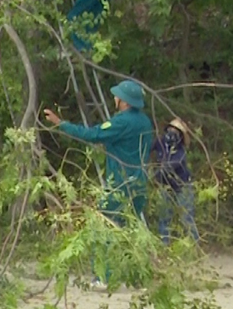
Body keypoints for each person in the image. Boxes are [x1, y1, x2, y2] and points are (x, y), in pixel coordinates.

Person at [43, 80, 154, 224]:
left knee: (108, 225)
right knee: (131, 227)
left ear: (125, 102)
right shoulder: (145, 121)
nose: (115, 98)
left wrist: (61, 123)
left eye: (117, 96)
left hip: (121, 184)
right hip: (140, 184)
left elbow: (92, 135)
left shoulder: (121, 122)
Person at [154, 118, 200, 245]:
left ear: (180, 136)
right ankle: (164, 246)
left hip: (182, 186)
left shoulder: (180, 152)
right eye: (170, 130)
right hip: (165, 185)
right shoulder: (160, 143)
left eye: (176, 131)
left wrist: (155, 174)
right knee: (164, 217)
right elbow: (148, 149)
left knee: (186, 218)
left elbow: (171, 166)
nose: (171, 133)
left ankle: (195, 246)